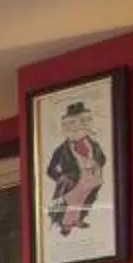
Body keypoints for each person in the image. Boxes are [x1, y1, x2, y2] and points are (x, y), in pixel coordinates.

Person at [47, 99, 110, 240]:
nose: (76, 129)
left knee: (84, 201)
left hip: (93, 178)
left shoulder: (93, 144)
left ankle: (76, 219)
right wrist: (61, 178)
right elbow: (50, 169)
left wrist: (96, 163)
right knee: (73, 201)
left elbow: (103, 158)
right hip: (76, 181)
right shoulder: (61, 150)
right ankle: (66, 224)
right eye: (71, 125)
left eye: (80, 124)